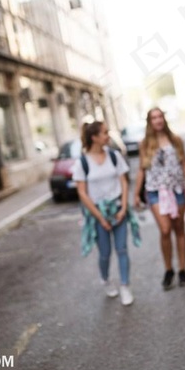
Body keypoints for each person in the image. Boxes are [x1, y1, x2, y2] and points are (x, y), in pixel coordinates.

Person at [74, 121, 139, 306]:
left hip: (118, 209)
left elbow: (124, 182)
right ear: (94, 137)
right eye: (104, 133)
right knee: (104, 253)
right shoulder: (83, 162)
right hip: (97, 214)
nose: (108, 136)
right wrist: (100, 218)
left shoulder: (114, 156)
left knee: (122, 249)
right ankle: (106, 279)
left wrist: (124, 208)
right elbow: (82, 193)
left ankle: (125, 286)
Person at [134, 108, 185, 290]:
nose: (158, 120)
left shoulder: (175, 139)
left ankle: (182, 269)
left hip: (177, 190)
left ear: (164, 119)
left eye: (160, 116)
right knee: (165, 229)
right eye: (154, 117)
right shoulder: (145, 143)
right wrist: (136, 193)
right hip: (155, 192)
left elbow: (184, 164)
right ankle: (169, 269)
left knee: (179, 229)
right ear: (149, 121)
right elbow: (141, 169)